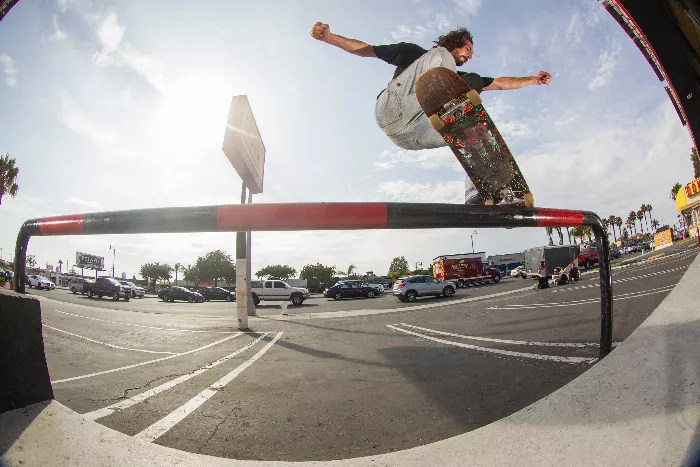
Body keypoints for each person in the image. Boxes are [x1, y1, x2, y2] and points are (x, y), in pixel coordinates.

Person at [310, 22, 552, 204]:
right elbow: (365, 49)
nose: (469, 54)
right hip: (391, 111)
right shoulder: (416, 53)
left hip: (410, 136)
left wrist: (532, 79)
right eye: (467, 48)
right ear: (455, 43)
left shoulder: (463, 80)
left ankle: (481, 189)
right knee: (443, 59)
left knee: (474, 125)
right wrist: (329, 37)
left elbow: (499, 83)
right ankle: (440, 90)